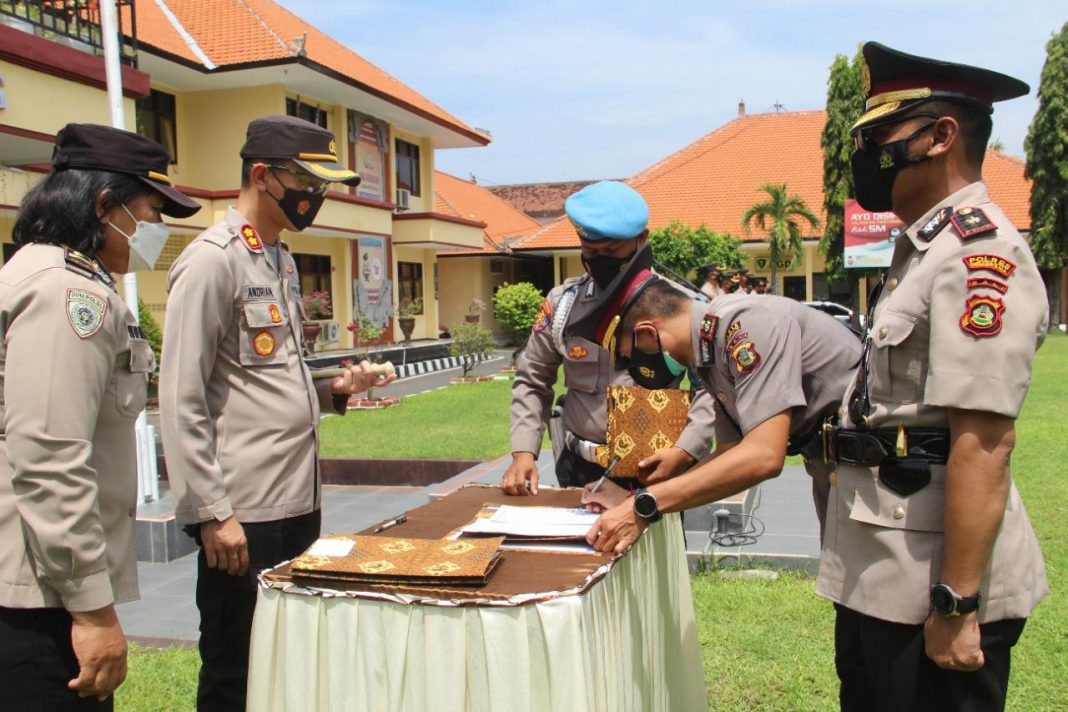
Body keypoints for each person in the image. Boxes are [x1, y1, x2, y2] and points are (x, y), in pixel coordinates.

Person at [816, 42, 1048, 711]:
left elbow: (984, 441)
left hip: (932, 580)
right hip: (882, 562)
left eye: (879, 136)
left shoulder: (979, 255)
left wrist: (957, 601)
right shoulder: (923, 249)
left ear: (940, 136)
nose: (865, 153)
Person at [158, 115, 395, 712]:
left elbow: (266, 377)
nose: (315, 196)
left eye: (322, 185)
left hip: (297, 501)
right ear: (262, 175)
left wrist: (336, 388)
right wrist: (211, 513)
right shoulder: (213, 261)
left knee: (287, 662)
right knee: (236, 668)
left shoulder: (279, 259)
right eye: (307, 183)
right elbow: (181, 397)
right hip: (243, 511)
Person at [0, 124, 200, 709]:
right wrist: (91, 610)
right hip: (39, 600)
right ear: (104, 205)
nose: (158, 229)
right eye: (152, 211)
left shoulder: (42, 274)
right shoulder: (68, 295)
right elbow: (50, 457)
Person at [575, 255, 860, 552]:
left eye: (628, 356)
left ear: (647, 332)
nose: (633, 366)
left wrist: (644, 505)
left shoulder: (749, 326)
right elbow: (731, 451)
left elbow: (763, 455)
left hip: (873, 469)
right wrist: (637, 497)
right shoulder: (709, 352)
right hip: (838, 469)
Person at [501, 181, 715, 495]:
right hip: (578, 466)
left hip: (654, 468)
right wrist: (523, 452)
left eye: (612, 251)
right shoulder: (563, 304)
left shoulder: (680, 308)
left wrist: (685, 451)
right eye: (591, 251)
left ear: (642, 239)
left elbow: (710, 390)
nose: (601, 260)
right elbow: (532, 379)